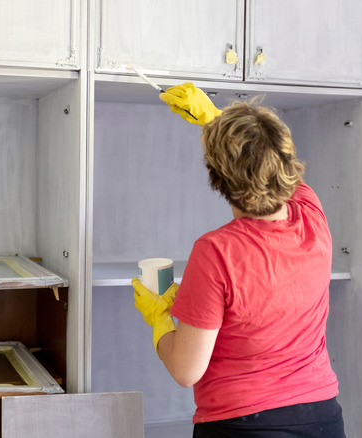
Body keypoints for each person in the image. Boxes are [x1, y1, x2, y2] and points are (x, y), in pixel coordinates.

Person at [132, 83, 345, 437]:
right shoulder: (312, 217)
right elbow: (279, 173)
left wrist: (160, 321)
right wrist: (216, 122)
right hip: (322, 417)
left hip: (243, 425)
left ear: (217, 180)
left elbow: (186, 370)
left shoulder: (217, 251)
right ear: (286, 161)